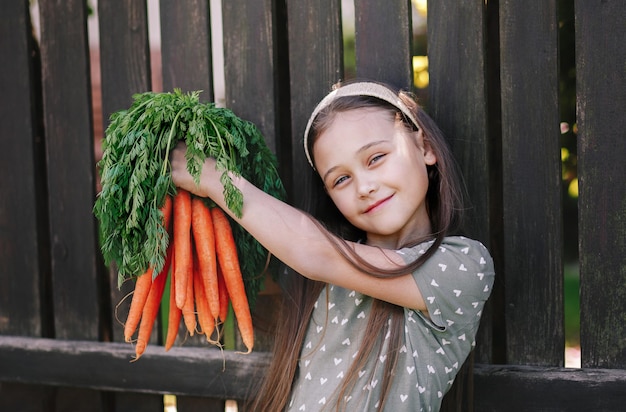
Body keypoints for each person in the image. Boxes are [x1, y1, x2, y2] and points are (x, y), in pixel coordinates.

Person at [170, 80, 495, 411]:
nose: (365, 187)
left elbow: (314, 251)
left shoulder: (462, 266)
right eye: (341, 179)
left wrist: (213, 179)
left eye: (376, 157)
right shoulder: (318, 280)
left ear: (425, 147)